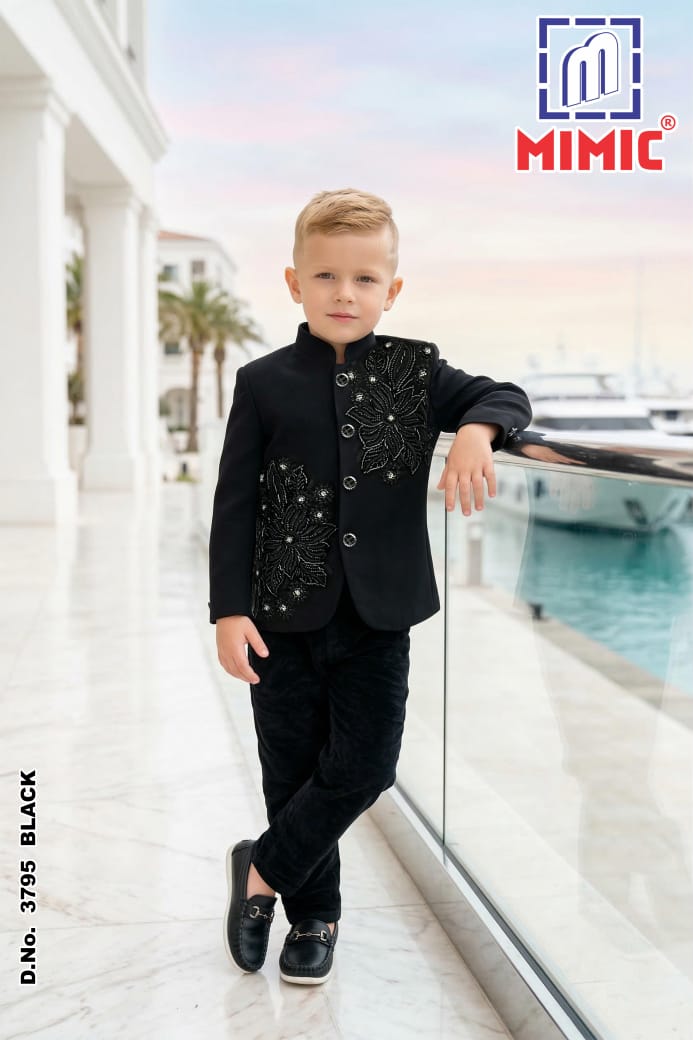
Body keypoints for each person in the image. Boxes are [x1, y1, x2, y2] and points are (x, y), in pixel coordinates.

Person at [208, 187, 532, 985]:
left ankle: (260, 871)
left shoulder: (414, 371)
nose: (343, 294)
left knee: (365, 766)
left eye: (363, 279)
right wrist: (227, 610)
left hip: (378, 617)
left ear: (392, 289)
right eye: (325, 276)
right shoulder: (261, 381)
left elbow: (505, 396)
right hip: (280, 616)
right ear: (294, 283)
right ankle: (314, 917)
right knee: (290, 770)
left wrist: (476, 431)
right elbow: (235, 503)